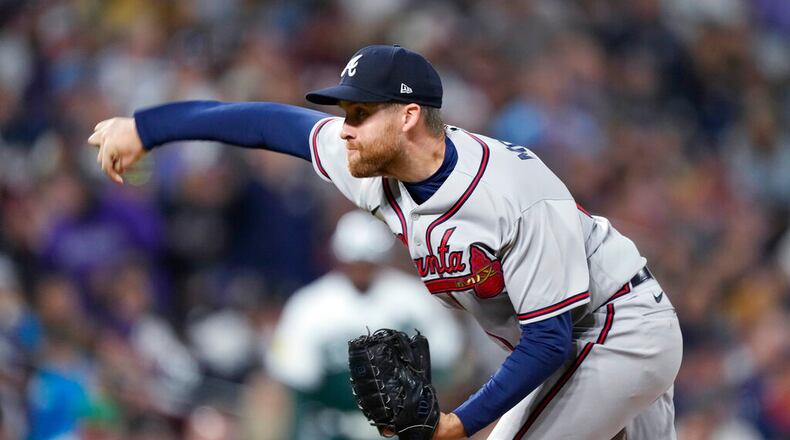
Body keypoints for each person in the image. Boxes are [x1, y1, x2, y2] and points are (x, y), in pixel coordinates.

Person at [89, 44, 683, 439]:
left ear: (407, 116)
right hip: (590, 339)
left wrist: (460, 423)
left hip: (611, 330)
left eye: (361, 111)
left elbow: (550, 341)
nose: (344, 126)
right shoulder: (367, 162)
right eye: (345, 110)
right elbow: (269, 124)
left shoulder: (514, 192)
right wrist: (147, 127)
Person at [266, 209, 462, 440]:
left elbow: (448, 362)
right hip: (333, 430)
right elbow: (295, 381)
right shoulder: (310, 306)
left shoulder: (414, 300)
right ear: (339, 258)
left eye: (366, 262)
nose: (360, 269)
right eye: (353, 261)